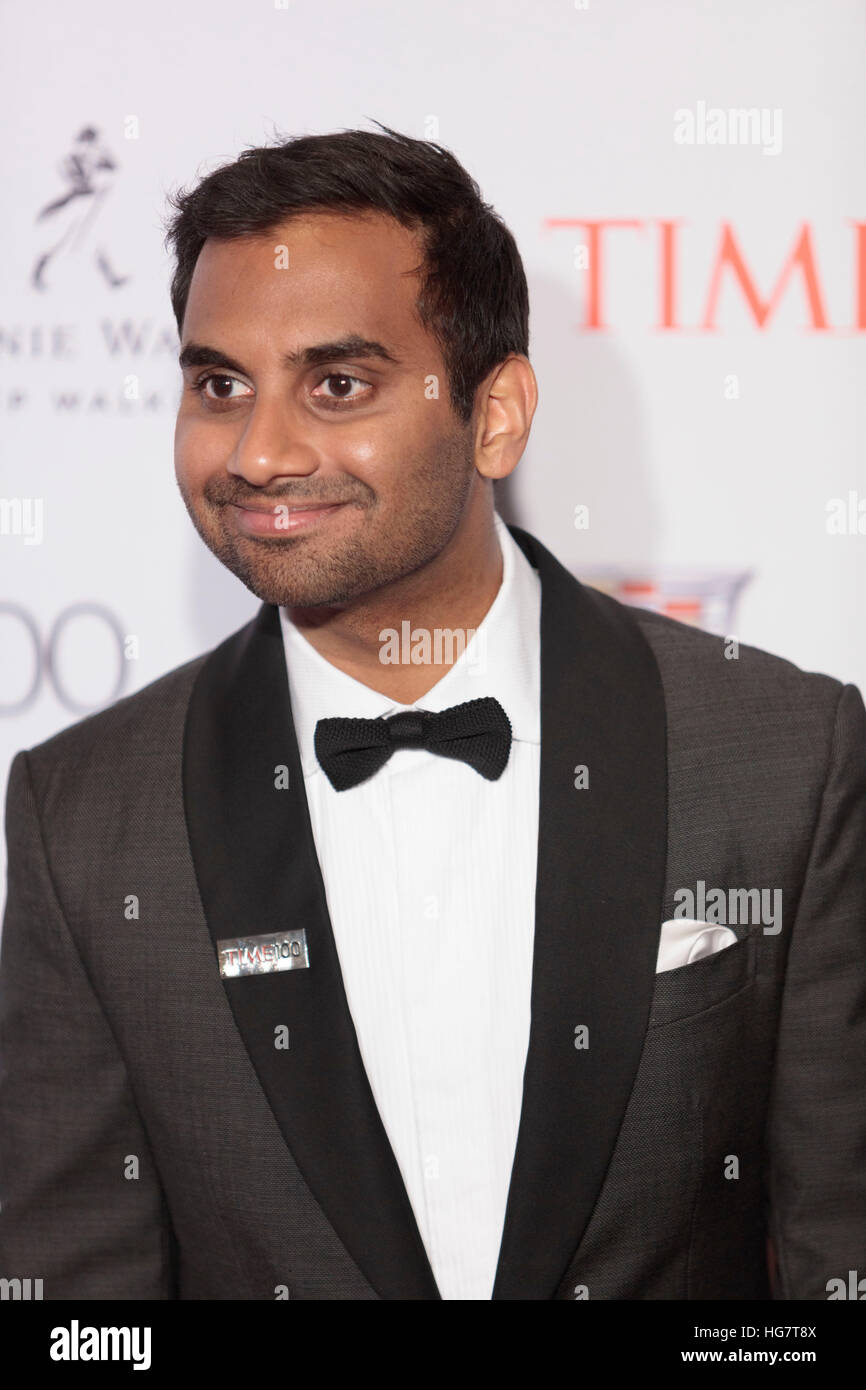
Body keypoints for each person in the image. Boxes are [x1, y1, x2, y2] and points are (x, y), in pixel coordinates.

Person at [1, 124, 864, 1301]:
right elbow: (78, 1308)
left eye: (337, 383)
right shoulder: (84, 816)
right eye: (219, 384)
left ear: (494, 412)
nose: (257, 451)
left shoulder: (781, 755)